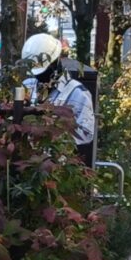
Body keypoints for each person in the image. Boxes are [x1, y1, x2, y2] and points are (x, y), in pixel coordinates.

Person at [20, 32, 95, 163]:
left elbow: (87, 133)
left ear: (56, 62)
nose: (39, 77)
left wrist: (54, 133)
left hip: (58, 165)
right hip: (26, 161)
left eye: (43, 72)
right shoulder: (27, 86)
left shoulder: (77, 93)